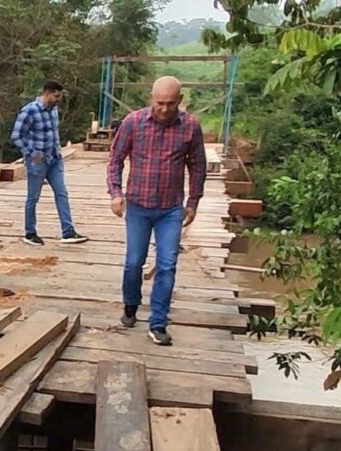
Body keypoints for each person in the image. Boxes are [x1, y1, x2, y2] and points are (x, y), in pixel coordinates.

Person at [107, 76, 207, 346]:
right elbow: (115, 160)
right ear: (151, 98)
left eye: (171, 104)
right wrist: (116, 194)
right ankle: (131, 304)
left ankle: (158, 321)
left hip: (170, 209)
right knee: (134, 262)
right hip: (138, 205)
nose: (164, 109)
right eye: (160, 103)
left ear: (180, 101)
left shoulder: (190, 127)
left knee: (167, 264)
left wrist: (193, 202)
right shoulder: (133, 123)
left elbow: (198, 166)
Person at [11, 80, 88, 246]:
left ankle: (68, 232)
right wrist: (31, 152)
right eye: (56, 96)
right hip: (38, 162)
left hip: (54, 160)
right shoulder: (29, 111)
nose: (58, 99)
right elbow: (16, 135)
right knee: (33, 197)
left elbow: (54, 132)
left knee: (62, 193)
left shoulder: (54, 111)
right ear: (47, 93)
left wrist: (58, 150)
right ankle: (30, 232)